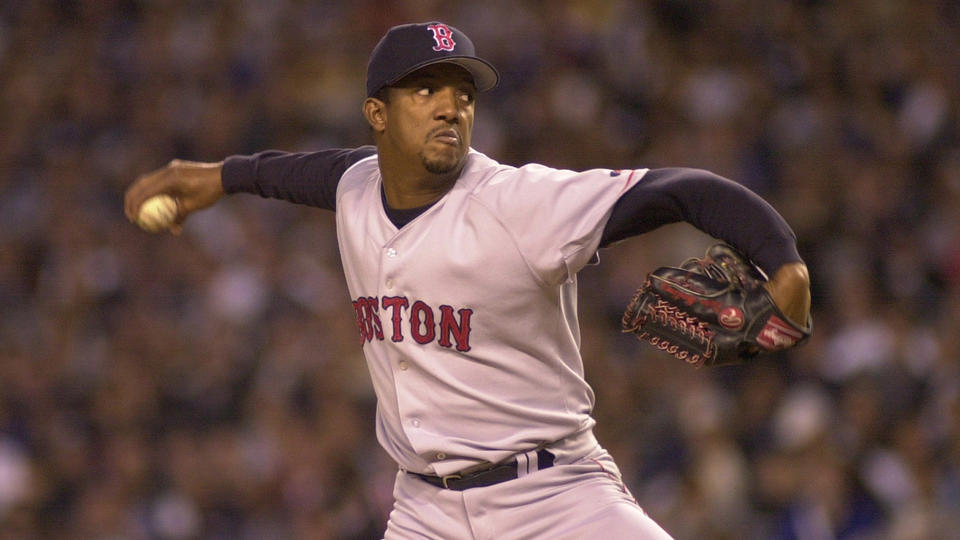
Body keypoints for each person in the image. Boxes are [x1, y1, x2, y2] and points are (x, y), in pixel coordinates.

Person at [125, 21, 810, 540]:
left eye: (461, 94)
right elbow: (293, 173)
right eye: (426, 91)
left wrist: (784, 263)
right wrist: (218, 177)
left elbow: (682, 190)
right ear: (377, 117)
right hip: (424, 512)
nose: (450, 107)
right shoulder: (356, 184)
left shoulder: (519, 204)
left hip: (556, 497)